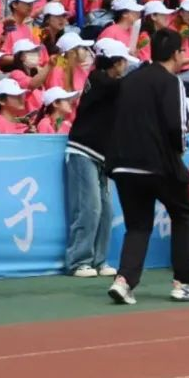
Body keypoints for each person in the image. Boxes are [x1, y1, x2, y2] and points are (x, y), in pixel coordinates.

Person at [105, 28, 189, 305]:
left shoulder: (129, 80)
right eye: (182, 51)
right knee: (184, 213)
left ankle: (124, 281)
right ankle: (184, 281)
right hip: (157, 163)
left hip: (122, 164)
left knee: (138, 225)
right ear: (177, 54)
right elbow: (176, 126)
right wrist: (179, 150)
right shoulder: (171, 81)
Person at [65, 39, 135, 278]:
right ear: (114, 63)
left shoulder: (110, 85)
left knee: (105, 211)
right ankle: (78, 261)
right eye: (123, 61)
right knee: (90, 208)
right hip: (83, 150)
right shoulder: (98, 79)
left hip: (102, 155)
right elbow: (124, 86)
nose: (126, 66)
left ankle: (99, 260)